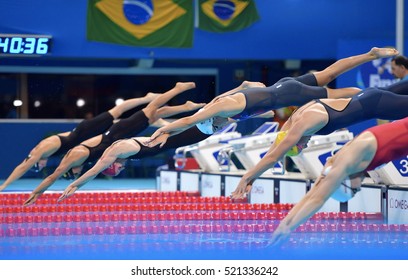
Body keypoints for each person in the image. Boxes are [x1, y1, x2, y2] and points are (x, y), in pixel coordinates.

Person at [147, 47, 398, 148]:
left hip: (290, 93)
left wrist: (165, 130)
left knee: (349, 96)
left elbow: (189, 119)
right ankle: (369, 55)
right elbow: (253, 90)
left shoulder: (220, 109)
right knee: (329, 72)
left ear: (212, 122)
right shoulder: (228, 107)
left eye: (216, 127)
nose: (222, 127)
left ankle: (392, 93)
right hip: (282, 88)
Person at [22, 82, 204, 206]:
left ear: (73, 169)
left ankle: (177, 90)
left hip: (118, 133)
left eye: (74, 174)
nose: (78, 173)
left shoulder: (74, 157)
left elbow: (52, 177)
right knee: (153, 115)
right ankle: (185, 107)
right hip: (118, 136)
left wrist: (38, 193)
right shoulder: (84, 160)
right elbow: (92, 172)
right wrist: (76, 185)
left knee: (149, 110)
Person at [230, 79, 408, 200]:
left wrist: (246, 177)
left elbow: (273, 157)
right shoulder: (295, 118)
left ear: (295, 140)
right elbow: (275, 149)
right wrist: (253, 178)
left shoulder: (305, 124)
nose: (305, 144)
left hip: (375, 104)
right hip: (369, 98)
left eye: (301, 146)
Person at [269, 117, 408, 246]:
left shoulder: (350, 161)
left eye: (354, 191)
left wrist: (289, 228)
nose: (359, 189)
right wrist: (285, 223)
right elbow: (313, 192)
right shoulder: (335, 162)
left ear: (344, 182)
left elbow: (318, 199)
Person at [0, 92, 159, 191]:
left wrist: (4, 186)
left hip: (84, 131)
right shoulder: (53, 155)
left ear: (36, 162)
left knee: (116, 111)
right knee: (125, 124)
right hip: (90, 137)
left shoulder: (40, 151)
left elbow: (22, 167)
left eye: (37, 166)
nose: (41, 166)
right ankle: (154, 116)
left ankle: (146, 98)